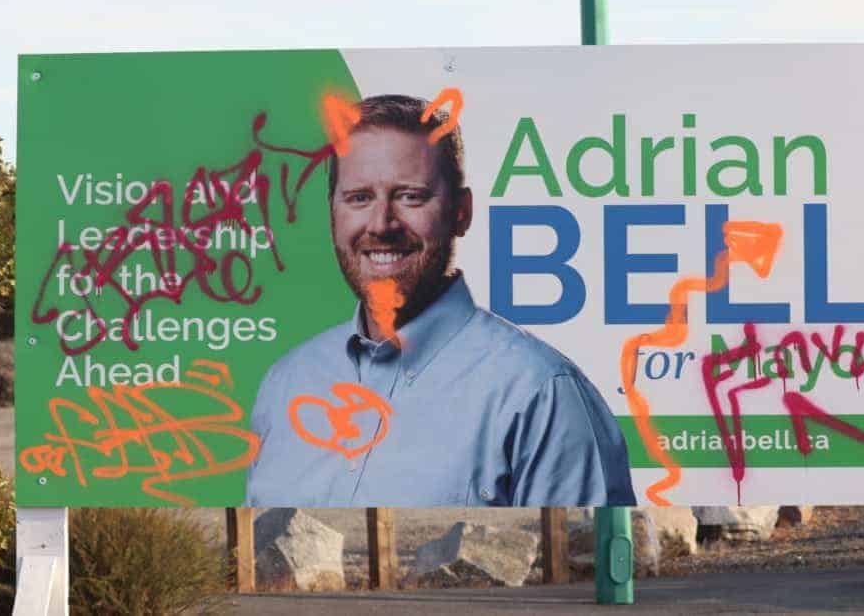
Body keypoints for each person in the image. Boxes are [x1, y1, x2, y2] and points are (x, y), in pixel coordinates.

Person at [246, 94, 636, 507]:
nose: (381, 224)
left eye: (410, 196)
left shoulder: (540, 393)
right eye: (359, 197)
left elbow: (585, 566)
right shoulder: (284, 385)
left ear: (461, 213)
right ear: (332, 213)